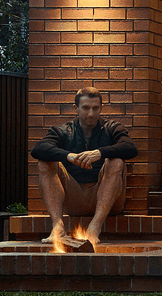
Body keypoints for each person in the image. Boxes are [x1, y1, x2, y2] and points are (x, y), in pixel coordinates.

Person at [29, 87, 137, 249]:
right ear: (76, 108)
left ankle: (94, 228)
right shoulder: (63, 131)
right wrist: (68, 156)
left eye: (95, 108)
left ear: (101, 108)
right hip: (73, 197)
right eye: (86, 108)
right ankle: (57, 227)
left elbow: (130, 148)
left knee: (116, 161)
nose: (91, 113)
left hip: (106, 198)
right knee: (45, 161)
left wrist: (100, 153)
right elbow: (38, 149)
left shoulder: (111, 127)